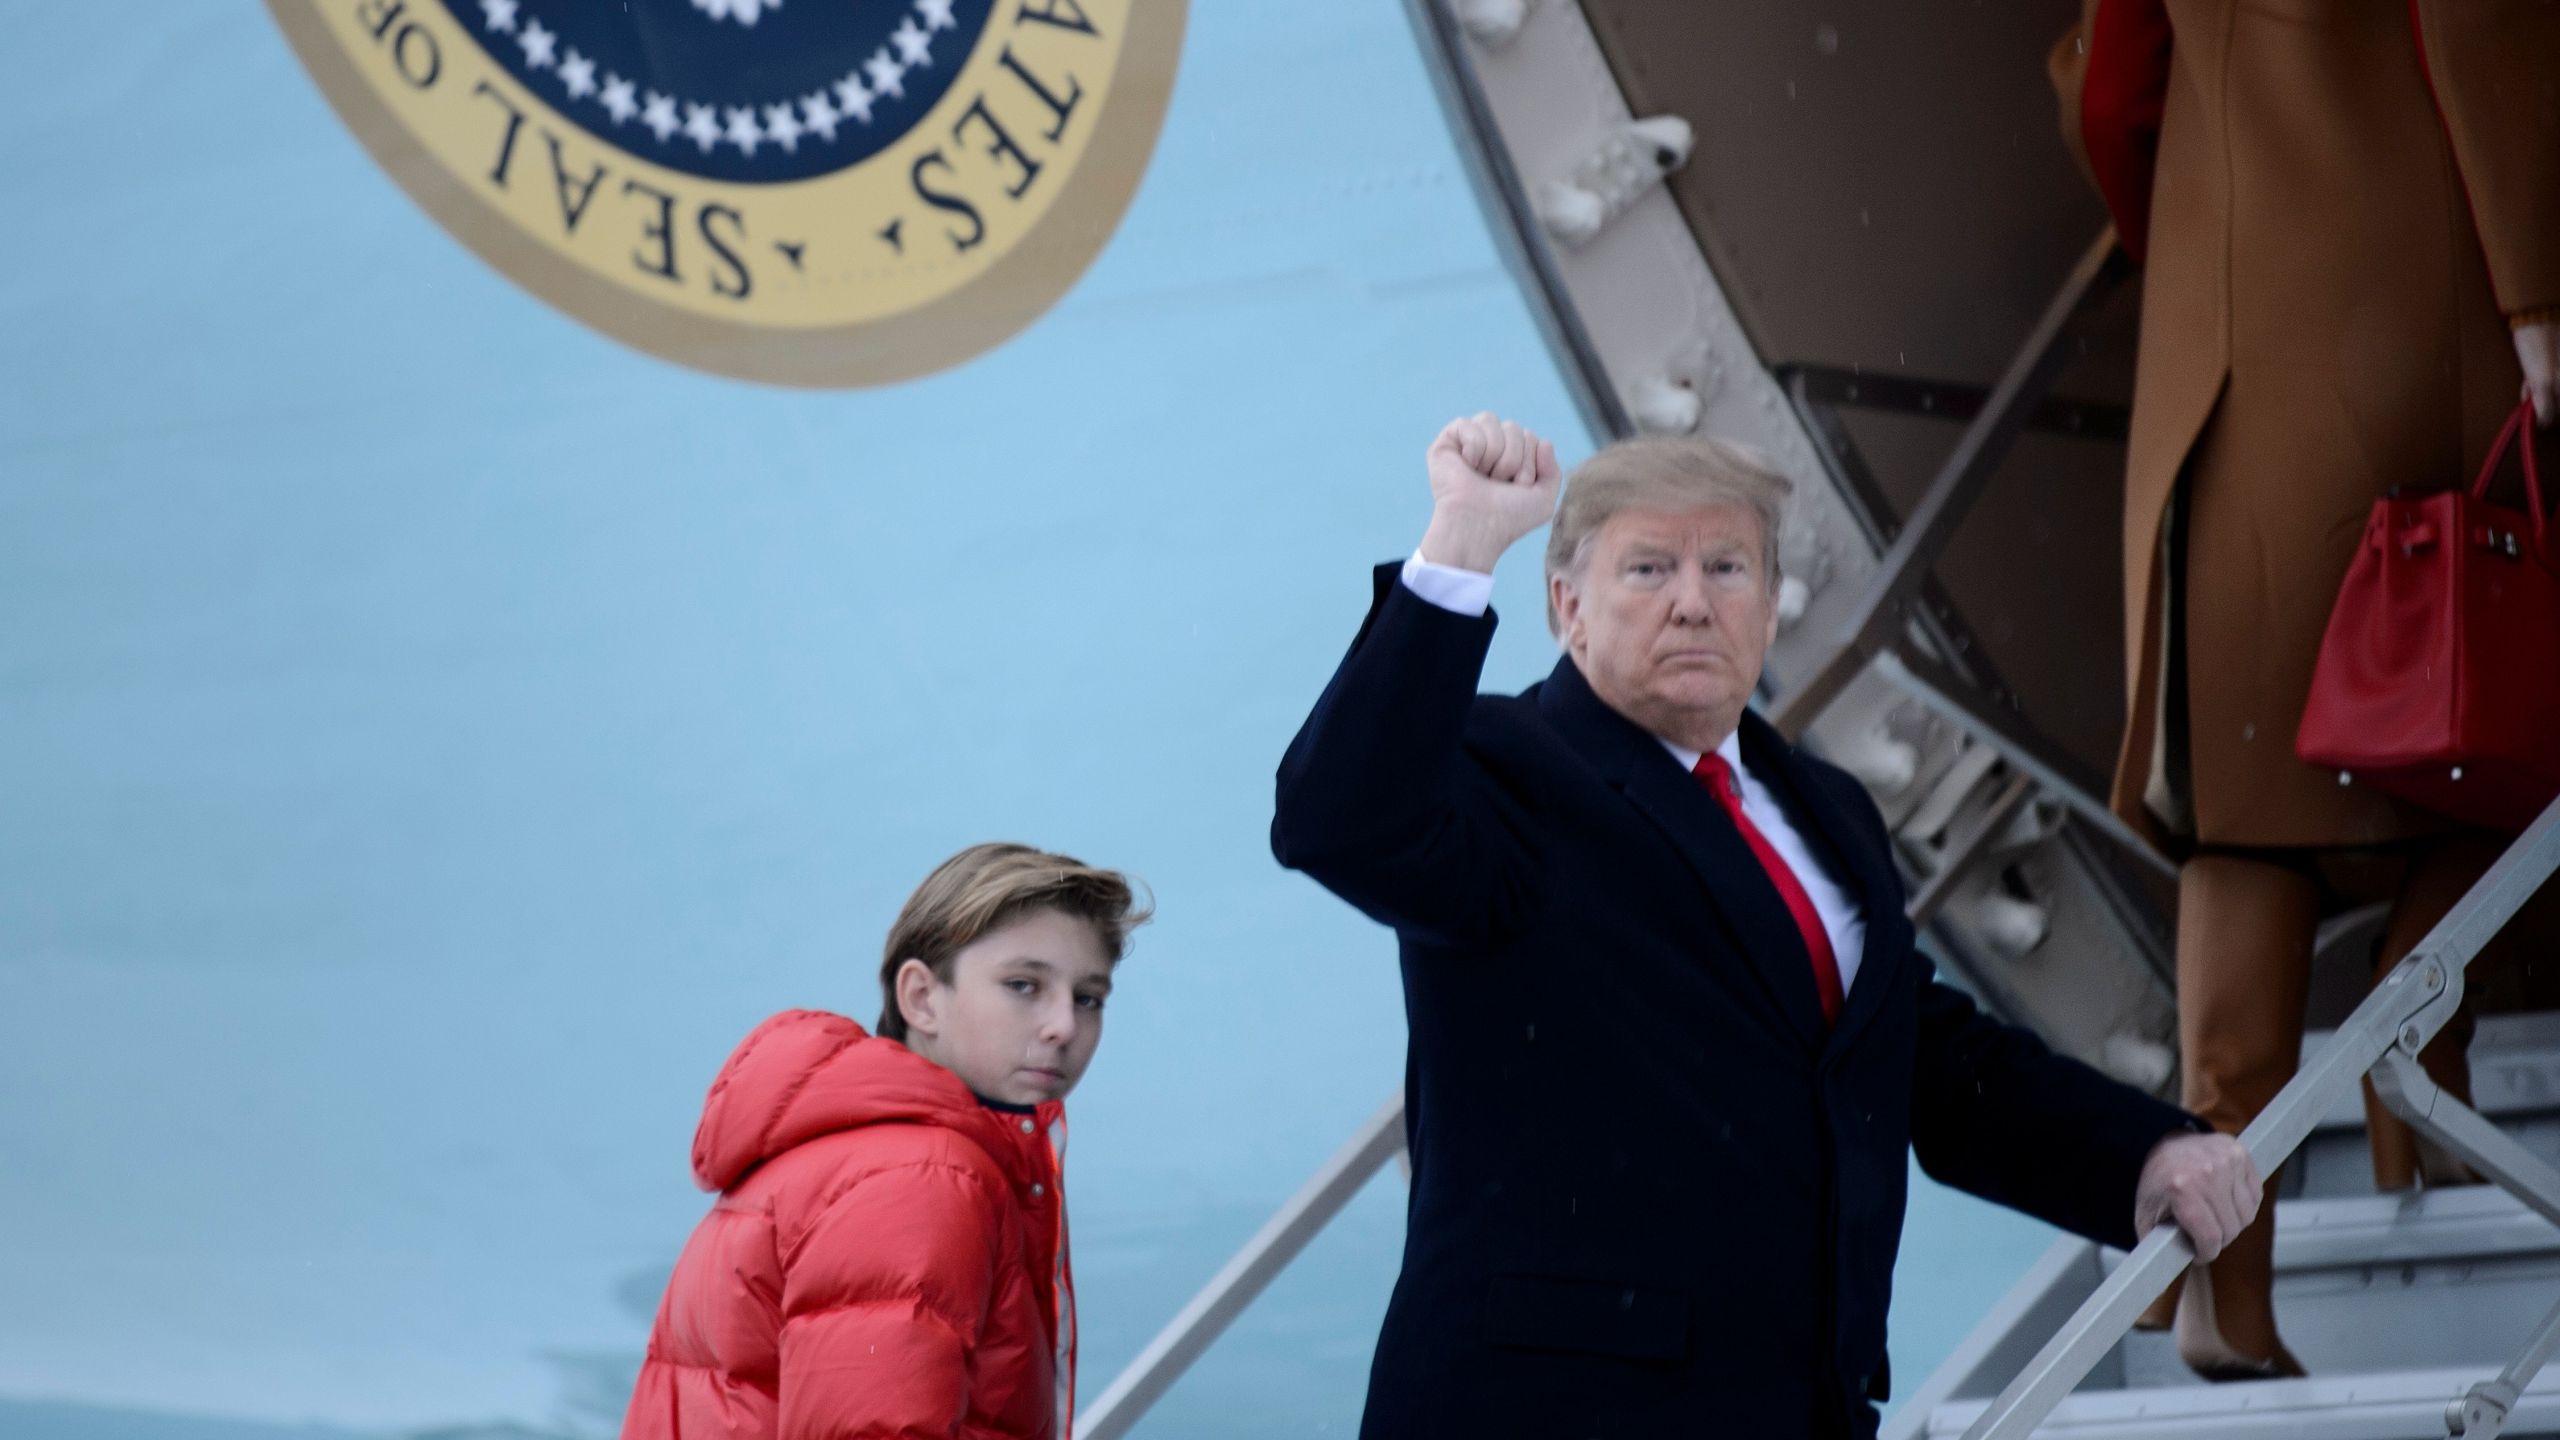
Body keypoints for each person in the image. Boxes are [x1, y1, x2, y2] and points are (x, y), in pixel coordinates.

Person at [1271, 414, 2262, 1439]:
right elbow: (1338, 822)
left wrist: (2141, 1154)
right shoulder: (1504, 771)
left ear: (1771, 608)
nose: (1693, 602)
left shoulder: (1825, 809)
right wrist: (1462, 543)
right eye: (1648, 569)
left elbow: (1911, 1053)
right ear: (1566, 605)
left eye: (1727, 567)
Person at [2047, 0, 2559, 1379]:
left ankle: (2228, 1280)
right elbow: (2488, 37)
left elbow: (2111, 90)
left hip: (2217, 351)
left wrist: (2214, 223)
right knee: (2488, 723)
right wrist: (2535, 293)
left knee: (2247, 815)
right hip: (2406, 310)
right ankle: (2420, 1065)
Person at [618, 842, 1150, 1440]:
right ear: (921, 998)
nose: (1064, 1026)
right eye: (1023, 985)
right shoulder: (919, 1177)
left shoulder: (856, 1151)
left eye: (1088, 997)